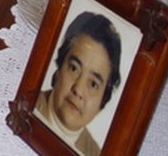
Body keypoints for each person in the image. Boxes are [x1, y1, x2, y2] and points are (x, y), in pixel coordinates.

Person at [34, 11, 122, 156]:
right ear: (59, 69)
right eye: (74, 68)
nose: (78, 90)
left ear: (102, 102)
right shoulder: (27, 105)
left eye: (93, 84)